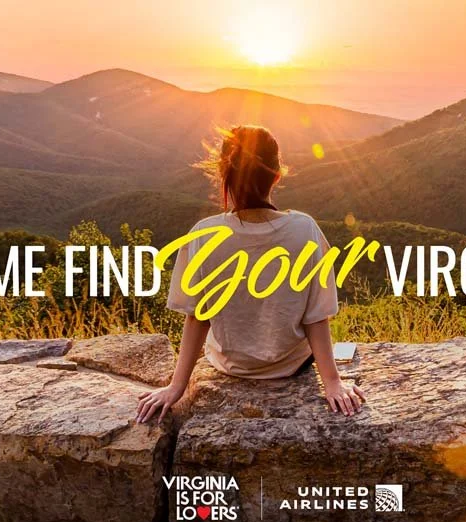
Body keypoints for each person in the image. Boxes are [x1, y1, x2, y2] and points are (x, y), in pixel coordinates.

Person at [136, 125, 366, 424]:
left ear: (224, 175)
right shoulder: (304, 229)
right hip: (291, 364)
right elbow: (315, 317)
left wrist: (176, 386)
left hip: (230, 367)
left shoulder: (203, 235)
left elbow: (197, 316)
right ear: (277, 175)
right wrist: (332, 383)